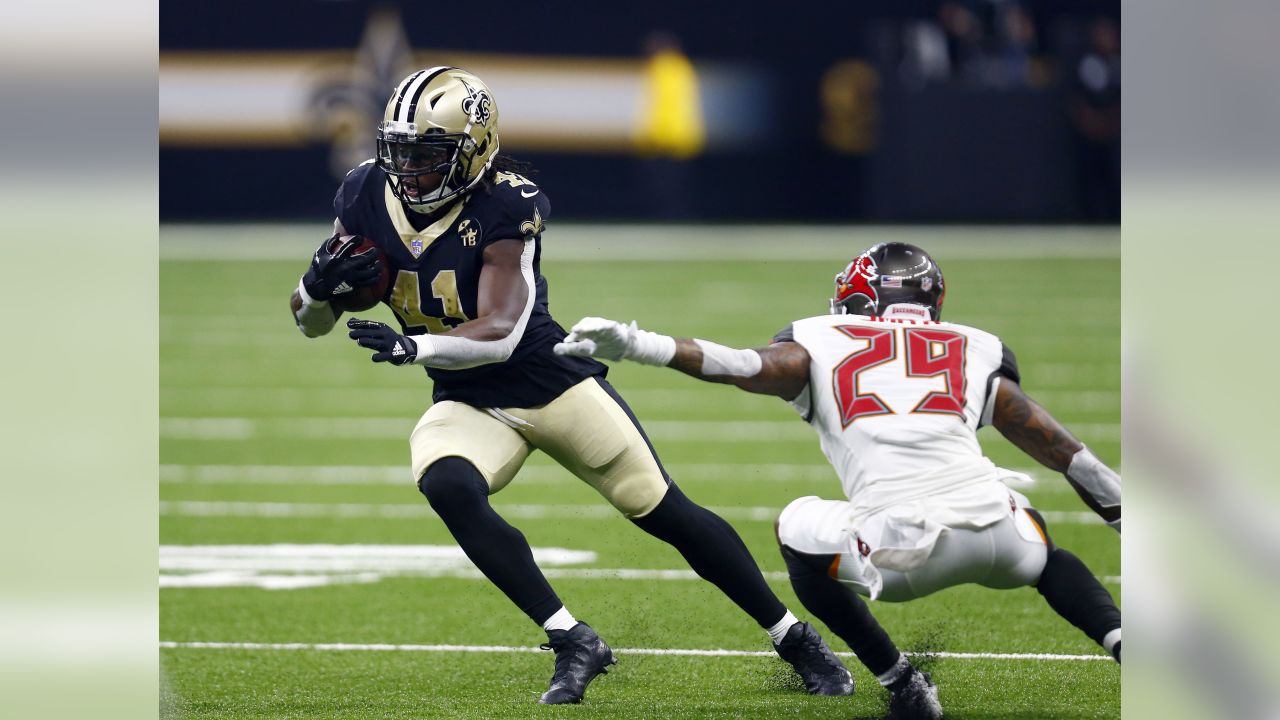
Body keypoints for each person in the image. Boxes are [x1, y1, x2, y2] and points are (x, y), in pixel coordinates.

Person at [287, 67, 852, 705]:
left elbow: (501, 330)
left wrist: (414, 345)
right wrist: (315, 286)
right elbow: (314, 322)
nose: (410, 171)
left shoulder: (506, 203)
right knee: (447, 484)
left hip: (548, 383)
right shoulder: (365, 192)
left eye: (428, 156)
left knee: (665, 512)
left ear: (473, 150)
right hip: (469, 399)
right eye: (403, 154)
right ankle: (571, 638)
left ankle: (793, 636)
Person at [556, 241, 1123, 718]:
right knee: (1044, 549)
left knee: (794, 529)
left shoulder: (822, 340)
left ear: (862, 300)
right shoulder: (972, 348)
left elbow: (739, 365)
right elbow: (1068, 455)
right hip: (1001, 539)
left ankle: (902, 683)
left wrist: (636, 344)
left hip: (900, 549)